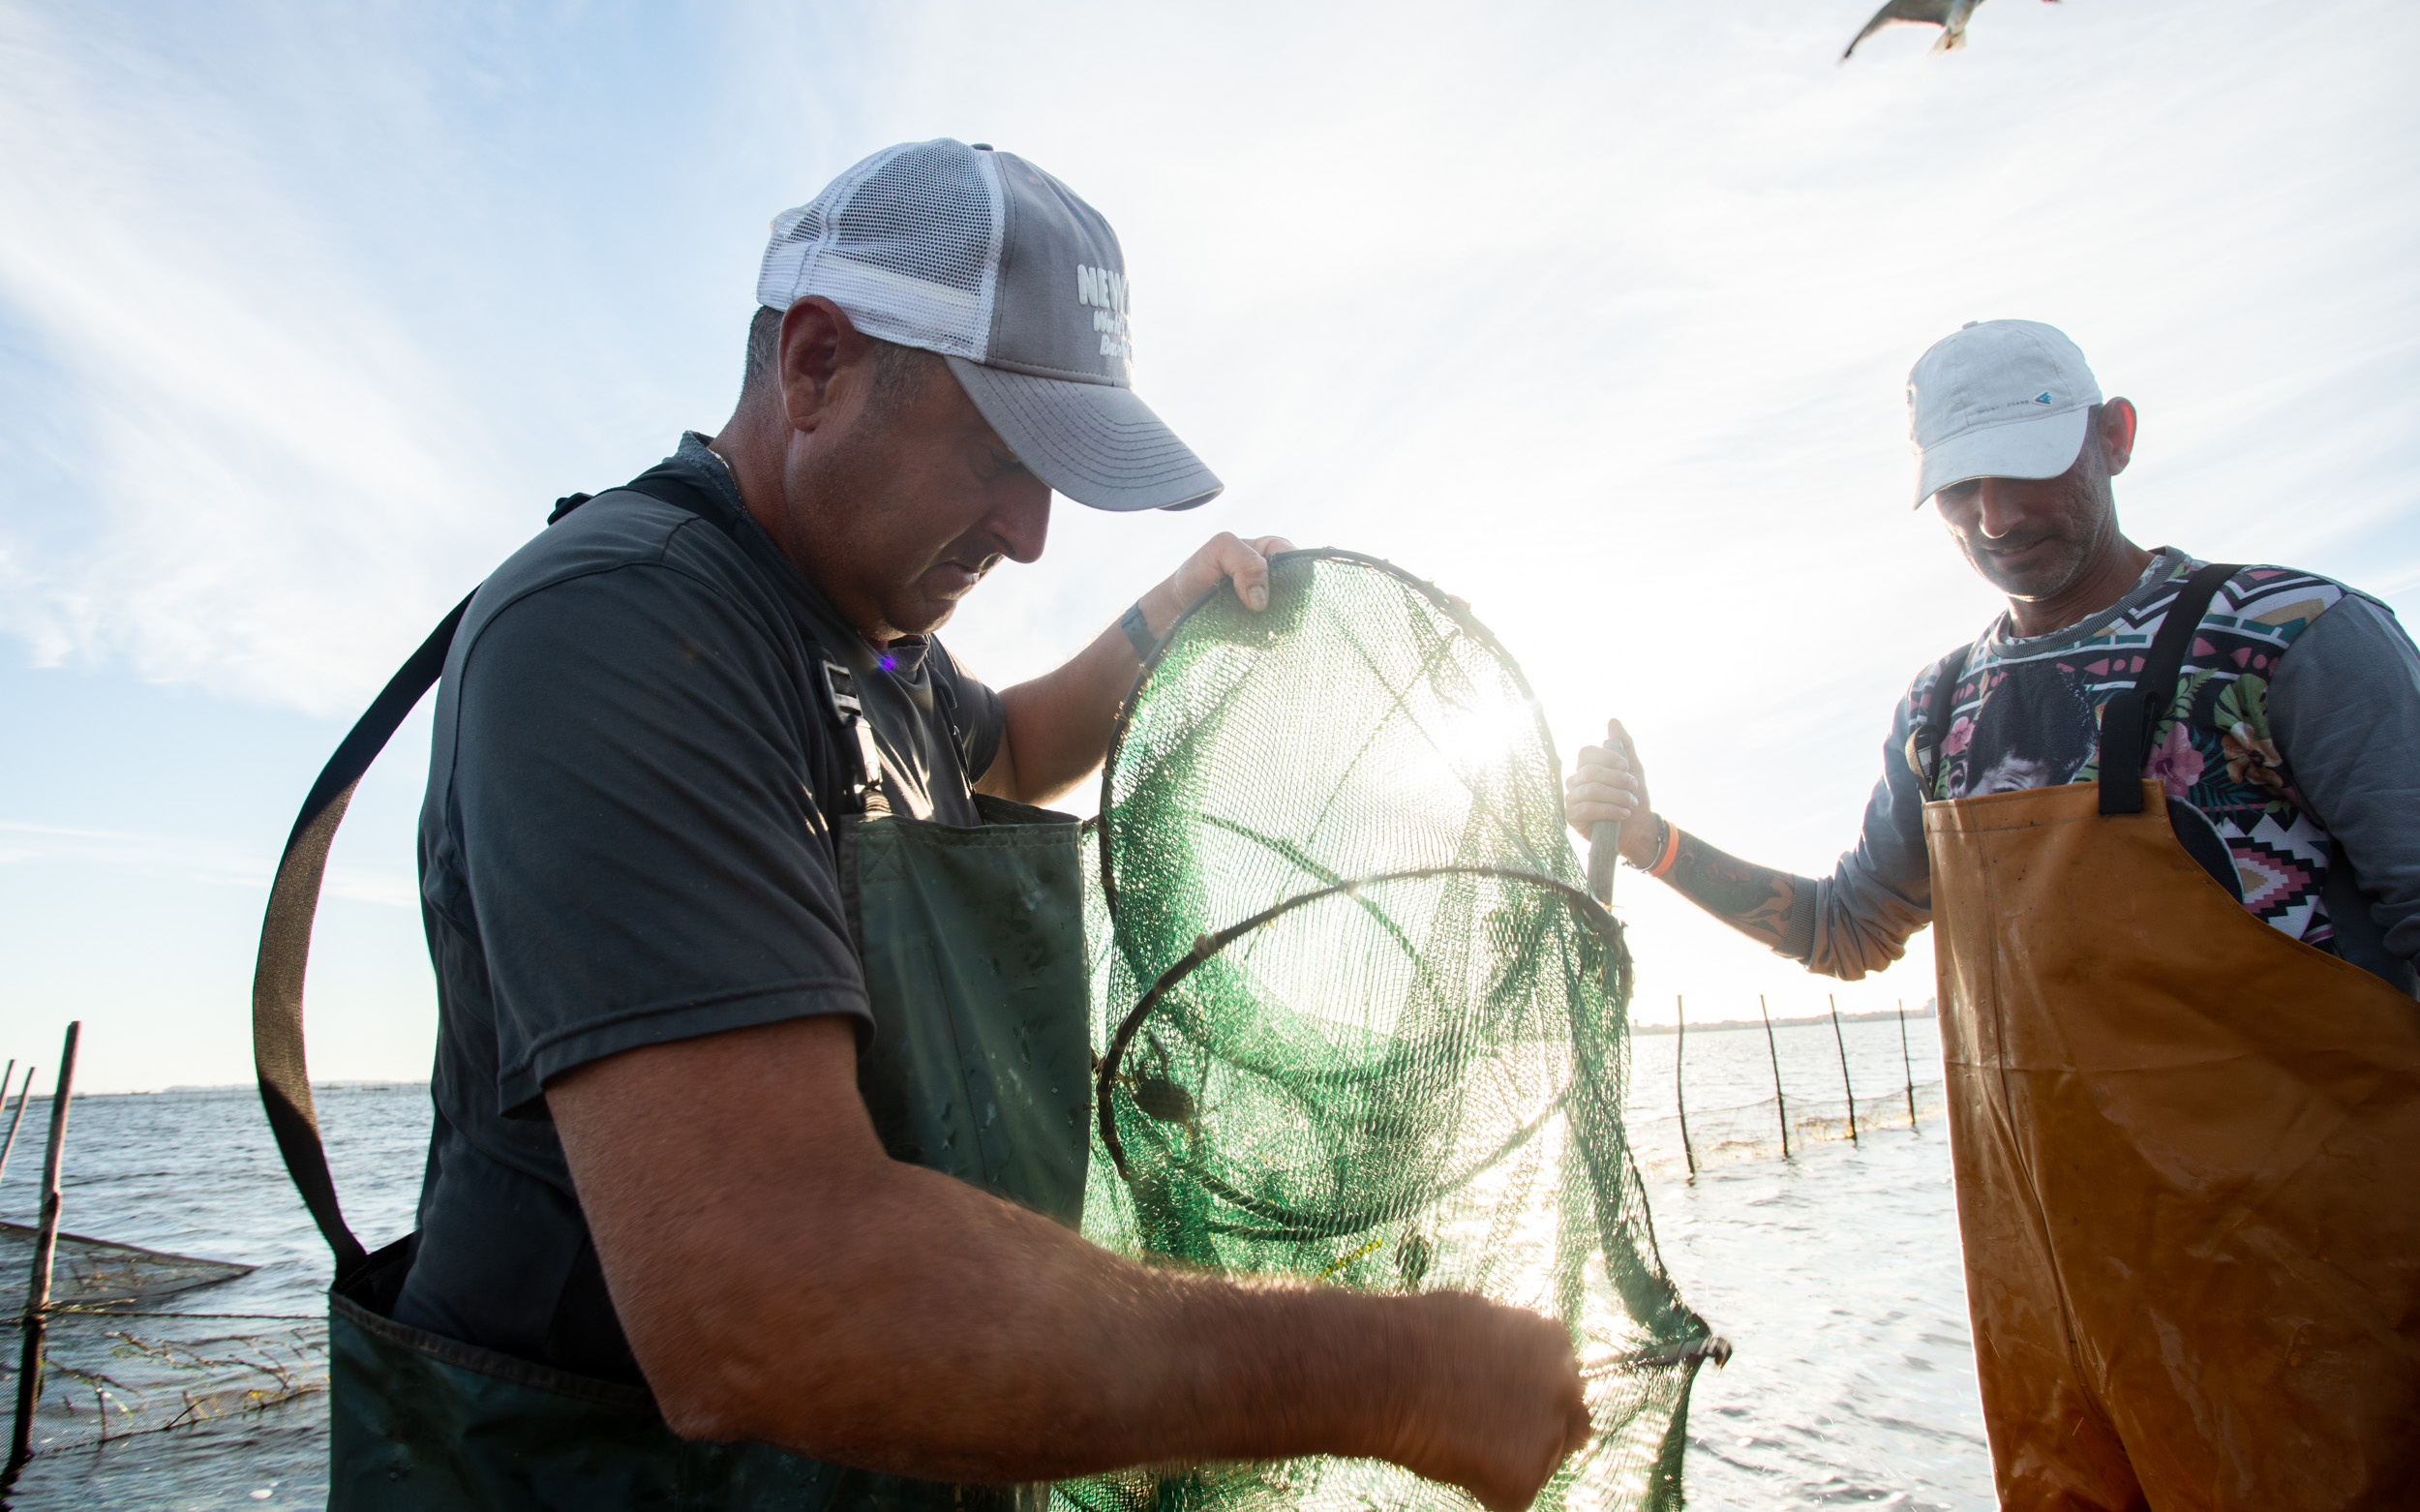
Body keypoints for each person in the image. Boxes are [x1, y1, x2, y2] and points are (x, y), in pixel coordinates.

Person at [322, 140, 1589, 1510]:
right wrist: (1398, 1371)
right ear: (815, 366)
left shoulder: (874, 647)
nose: (1033, 532)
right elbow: (766, 1293)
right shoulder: (625, 632)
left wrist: (1168, 616)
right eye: (998, 455)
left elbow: (1011, 745)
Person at [1565, 318, 2420, 1507]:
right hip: (2064, 1332)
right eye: (1960, 490)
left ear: (2112, 436)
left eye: (2027, 468)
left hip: (2326, 1312)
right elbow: (1845, 928)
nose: (1998, 517)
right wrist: (1657, 842)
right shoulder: (1945, 709)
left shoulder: (2292, 641)